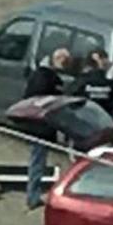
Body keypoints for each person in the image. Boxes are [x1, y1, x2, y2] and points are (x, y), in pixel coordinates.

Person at [23, 47, 70, 209]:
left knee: (38, 161)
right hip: (42, 127)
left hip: (36, 125)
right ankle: (33, 197)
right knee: (38, 162)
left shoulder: (39, 75)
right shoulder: (49, 78)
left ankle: (33, 195)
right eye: (64, 61)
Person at [67, 51, 113, 124]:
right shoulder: (111, 84)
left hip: (83, 124)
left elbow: (69, 105)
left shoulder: (78, 84)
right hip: (106, 124)